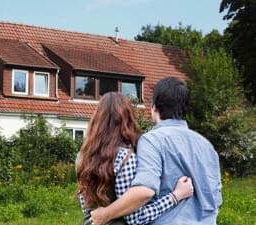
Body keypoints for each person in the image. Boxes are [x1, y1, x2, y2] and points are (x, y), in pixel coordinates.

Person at [90, 77, 222, 225]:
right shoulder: (207, 146)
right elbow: (215, 198)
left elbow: (145, 191)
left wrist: (105, 214)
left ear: (154, 107)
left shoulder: (151, 141)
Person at [76, 92, 194, 225]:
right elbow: (135, 218)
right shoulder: (125, 158)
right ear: (127, 120)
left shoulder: (82, 156)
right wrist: (175, 196)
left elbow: (85, 207)